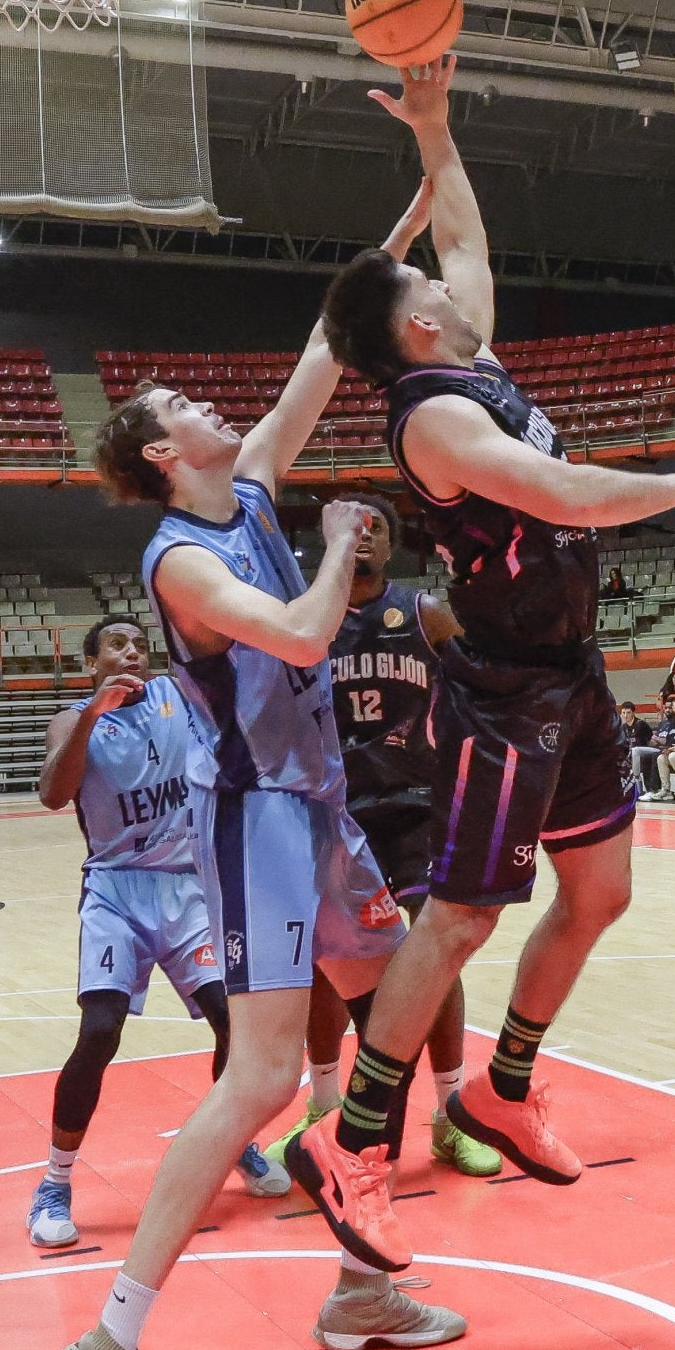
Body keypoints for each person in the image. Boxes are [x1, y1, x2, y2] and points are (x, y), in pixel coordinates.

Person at [283, 53, 675, 1276]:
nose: (446, 274)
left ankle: (501, 1089)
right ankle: (355, 1141)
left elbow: (467, 240)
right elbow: (553, 491)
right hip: (503, 691)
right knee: (458, 921)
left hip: (572, 667)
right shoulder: (433, 416)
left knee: (597, 896)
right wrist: (674, 483)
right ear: (415, 323)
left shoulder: (465, 353)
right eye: (425, 282)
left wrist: (435, 134)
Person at [29, 183, 462, 1350]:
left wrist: (408, 215)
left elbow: (327, 354)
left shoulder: (252, 485)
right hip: (261, 818)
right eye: (186, 413)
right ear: (165, 455)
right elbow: (301, 638)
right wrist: (340, 547)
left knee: (394, 1021)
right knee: (262, 1082)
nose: (215, 412)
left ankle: (359, 1288)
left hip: (324, 812)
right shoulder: (180, 561)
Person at [25, 615, 287, 1253]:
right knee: (100, 1032)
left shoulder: (176, 695)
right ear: (90, 662)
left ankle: (234, 1141)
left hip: (184, 887)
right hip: (116, 891)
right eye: (116, 643)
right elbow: (52, 795)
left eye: (139, 642)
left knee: (234, 1023)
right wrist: (93, 714)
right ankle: (54, 1183)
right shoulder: (74, 719)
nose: (132, 650)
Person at [264, 494, 500, 1180]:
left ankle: (452, 1114)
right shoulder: (305, 618)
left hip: (419, 804)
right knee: (325, 964)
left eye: (377, 529)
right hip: (332, 810)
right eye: (353, 528)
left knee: (440, 944)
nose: (363, 537)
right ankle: (324, 1107)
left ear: (391, 546)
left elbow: (486, 686)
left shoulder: (423, 614)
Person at [620, 701, 660, 798]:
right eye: (623, 713)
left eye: (628, 712)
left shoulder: (640, 724)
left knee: (635, 751)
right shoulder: (622, 727)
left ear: (633, 713)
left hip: (645, 751)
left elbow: (651, 741)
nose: (626, 715)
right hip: (631, 754)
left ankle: (639, 787)